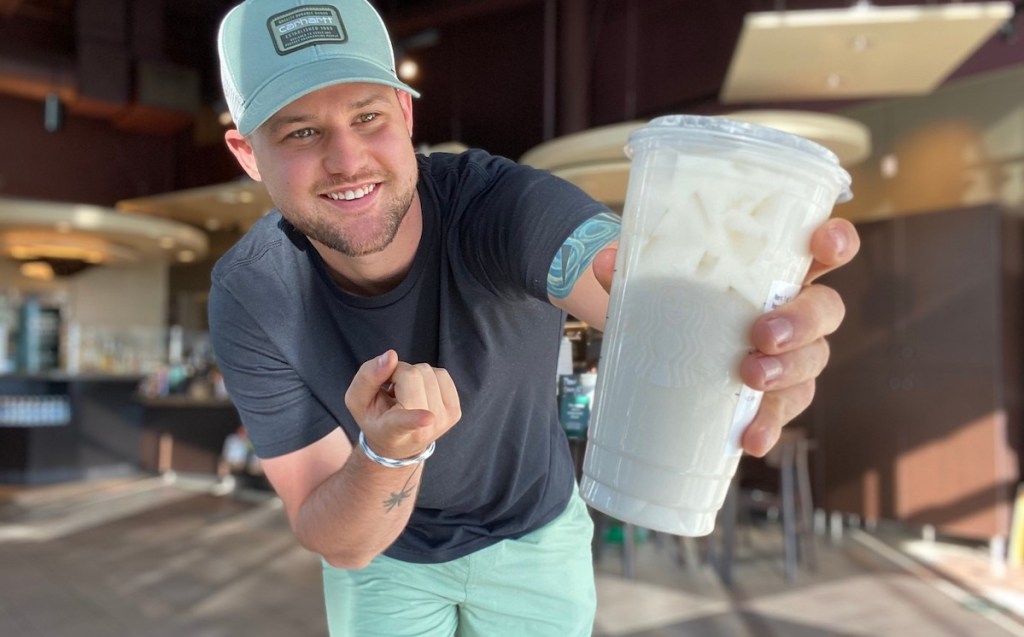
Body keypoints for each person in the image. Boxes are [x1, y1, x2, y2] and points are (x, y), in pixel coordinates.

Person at [208, 0, 860, 635]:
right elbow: (337, 539)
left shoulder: (502, 206)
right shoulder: (252, 292)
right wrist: (386, 453)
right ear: (246, 153)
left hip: (535, 534)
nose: (348, 159)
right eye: (301, 131)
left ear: (404, 113)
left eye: (368, 116)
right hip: (386, 561)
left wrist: (746, 317)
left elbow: (627, 284)